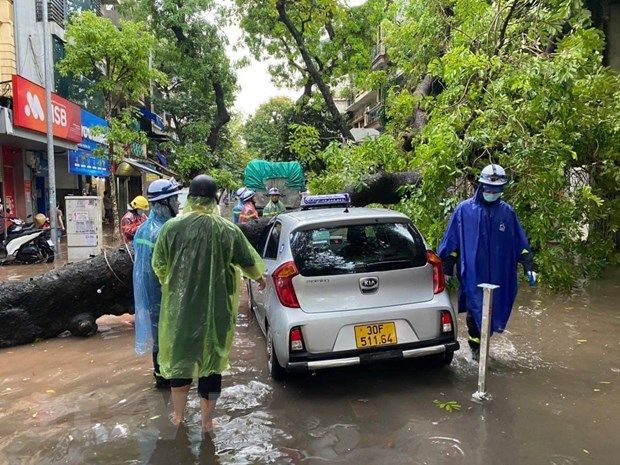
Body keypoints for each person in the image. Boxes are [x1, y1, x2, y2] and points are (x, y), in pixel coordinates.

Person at [152, 175, 266, 434]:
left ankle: (178, 416)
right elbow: (248, 260)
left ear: (189, 197)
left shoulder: (171, 228)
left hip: (180, 311)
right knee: (211, 364)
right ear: (215, 198)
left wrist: (174, 285)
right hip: (216, 311)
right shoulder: (226, 229)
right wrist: (260, 278)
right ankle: (206, 422)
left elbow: (159, 266)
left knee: (179, 360)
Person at [438, 164, 537, 360]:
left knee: (494, 312)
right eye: (489, 189)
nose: (492, 193)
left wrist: (528, 265)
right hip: (474, 274)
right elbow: (452, 242)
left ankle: (485, 346)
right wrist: (447, 268)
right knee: (475, 313)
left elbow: (520, 242)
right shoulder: (464, 210)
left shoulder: (507, 213)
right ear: (481, 186)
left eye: (497, 190)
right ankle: (477, 353)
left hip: (500, 274)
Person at [133, 178, 181, 389]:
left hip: (150, 293)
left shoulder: (143, 229)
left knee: (158, 334)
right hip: (164, 292)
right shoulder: (166, 230)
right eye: (174, 199)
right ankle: (169, 378)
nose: (178, 204)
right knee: (168, 334)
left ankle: (160, 376)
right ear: (164, 203)